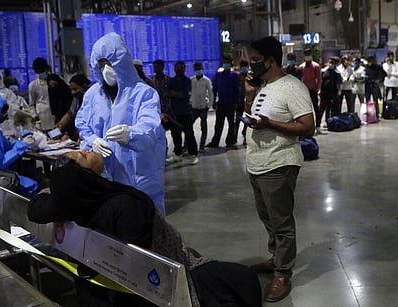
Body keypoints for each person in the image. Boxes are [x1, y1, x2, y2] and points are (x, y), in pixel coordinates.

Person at [27, 150, 262, 307]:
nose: (89, 150)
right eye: (85, 155)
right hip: (163, 276)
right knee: (243, 279)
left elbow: (36, 208)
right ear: (85, 177)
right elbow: (139, 261)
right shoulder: (123, 206)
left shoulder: (72, 202)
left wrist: (58, 190)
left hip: (101, 281)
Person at [244, 36, 315, 303]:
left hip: (279, 163)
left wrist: (270, 124)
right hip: (257, 163)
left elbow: (308, 127)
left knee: (282, 223)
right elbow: (254, 117)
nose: (251, 66)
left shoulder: (292, 87)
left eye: (255, 61)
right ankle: (276, 258)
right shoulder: (262, 86)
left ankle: (283, 273)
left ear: (271, 61)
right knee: (268, 219)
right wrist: (249, 98)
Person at [75, 32, 166, 216]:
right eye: (101, 64)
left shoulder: (144, 93)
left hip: (139, 177)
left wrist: (131, 134)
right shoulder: (93, 95)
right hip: (105, 178)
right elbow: (82, 123)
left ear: (122, 61)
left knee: (146, 226)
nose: (106, 69)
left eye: (110, 62)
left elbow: (150, 126)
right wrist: (93, 140)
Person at [166, 61, 199, 164]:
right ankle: (177, 154)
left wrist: (175, 93)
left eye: (181, 68)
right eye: (177, 68)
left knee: (189, 134)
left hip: (186, 112)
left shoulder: (187, 81)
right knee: (175, 135)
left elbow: (184, 94)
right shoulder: (171, 81)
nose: (178, 70)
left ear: (184, 69)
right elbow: (168, 93)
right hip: (174, 113)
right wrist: (176, 94)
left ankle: (193, 154)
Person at [207, 56, 241, 149]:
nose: (225, 64)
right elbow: (215, 88)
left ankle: (229, 141)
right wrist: (213, 101)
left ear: (230, 64)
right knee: (218, 124)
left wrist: (236, 102)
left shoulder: (234, 75)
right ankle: (215, 141)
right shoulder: (218, 75)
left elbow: (237, 89)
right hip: (221, 103)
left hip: (230, 103)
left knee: (231, 123)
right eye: (224, 62)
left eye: (227, 62)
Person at [55, 74, 92, 141]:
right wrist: (60, 125)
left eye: (75, 89)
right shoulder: (76, 99)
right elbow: (70, 114)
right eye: (71, 89)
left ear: (84, 86)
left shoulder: (92, 96)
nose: (73, 92)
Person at [190, 62, 213, 152]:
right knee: (189, 127)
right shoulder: (191, 80)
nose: (198, 71)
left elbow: (210, 93)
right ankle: (187, 145)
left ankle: (202, 145)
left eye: (199, 69)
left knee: (203, 127)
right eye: (196, 69)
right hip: (194, 107)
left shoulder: (206, 80)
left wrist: (209, 105)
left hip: (203, 106)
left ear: (202, 69)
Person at [299, 48, 322, 134]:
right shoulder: (301, 67)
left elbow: (319, 78)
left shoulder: (316, 66)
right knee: (305, 110)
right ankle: (307, 126)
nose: (307, 56)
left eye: (309, 54)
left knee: (316, 108)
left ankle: (318, 126)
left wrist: (318, 88)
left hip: (313, 90)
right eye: (306, 54)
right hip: (304, 91)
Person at [28, 57, 54, 131]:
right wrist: (34, 115)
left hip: (54, 117)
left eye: (42, 71)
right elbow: (31, 104)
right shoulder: (33, 85)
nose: (40, 73)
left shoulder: (56, 82)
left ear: (46, 69)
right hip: (41, 118)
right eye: (38, 71)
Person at [46, 74, 74, 138]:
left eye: (55, 85)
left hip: (72, 127)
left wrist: (67, 132)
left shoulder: (68, 94)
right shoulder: (54, 96)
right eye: (51, 86)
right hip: (60, 123)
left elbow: (71, 114)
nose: (53, 88)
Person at [320, 57, 343, 123]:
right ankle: (318, 124)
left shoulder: (337, 72)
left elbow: (339, 83)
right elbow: (320, 81)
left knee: (331, 109)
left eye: (332, 63)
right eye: (330, 62)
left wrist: (338, 92)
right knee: (321, 109)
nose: (330, 64)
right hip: (324, 94)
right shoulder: (324, 71)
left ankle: (329, 122)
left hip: (333, 94)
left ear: (335, 64)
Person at [234, 60, 250, 146]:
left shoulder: (251, 77)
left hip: (248, 102)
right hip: (239, 101)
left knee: (248, 121)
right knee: (237, 120)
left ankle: (245, 137)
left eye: (245, 66)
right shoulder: (237, 77)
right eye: (243, 66)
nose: (244, 68)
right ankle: (234, 138)